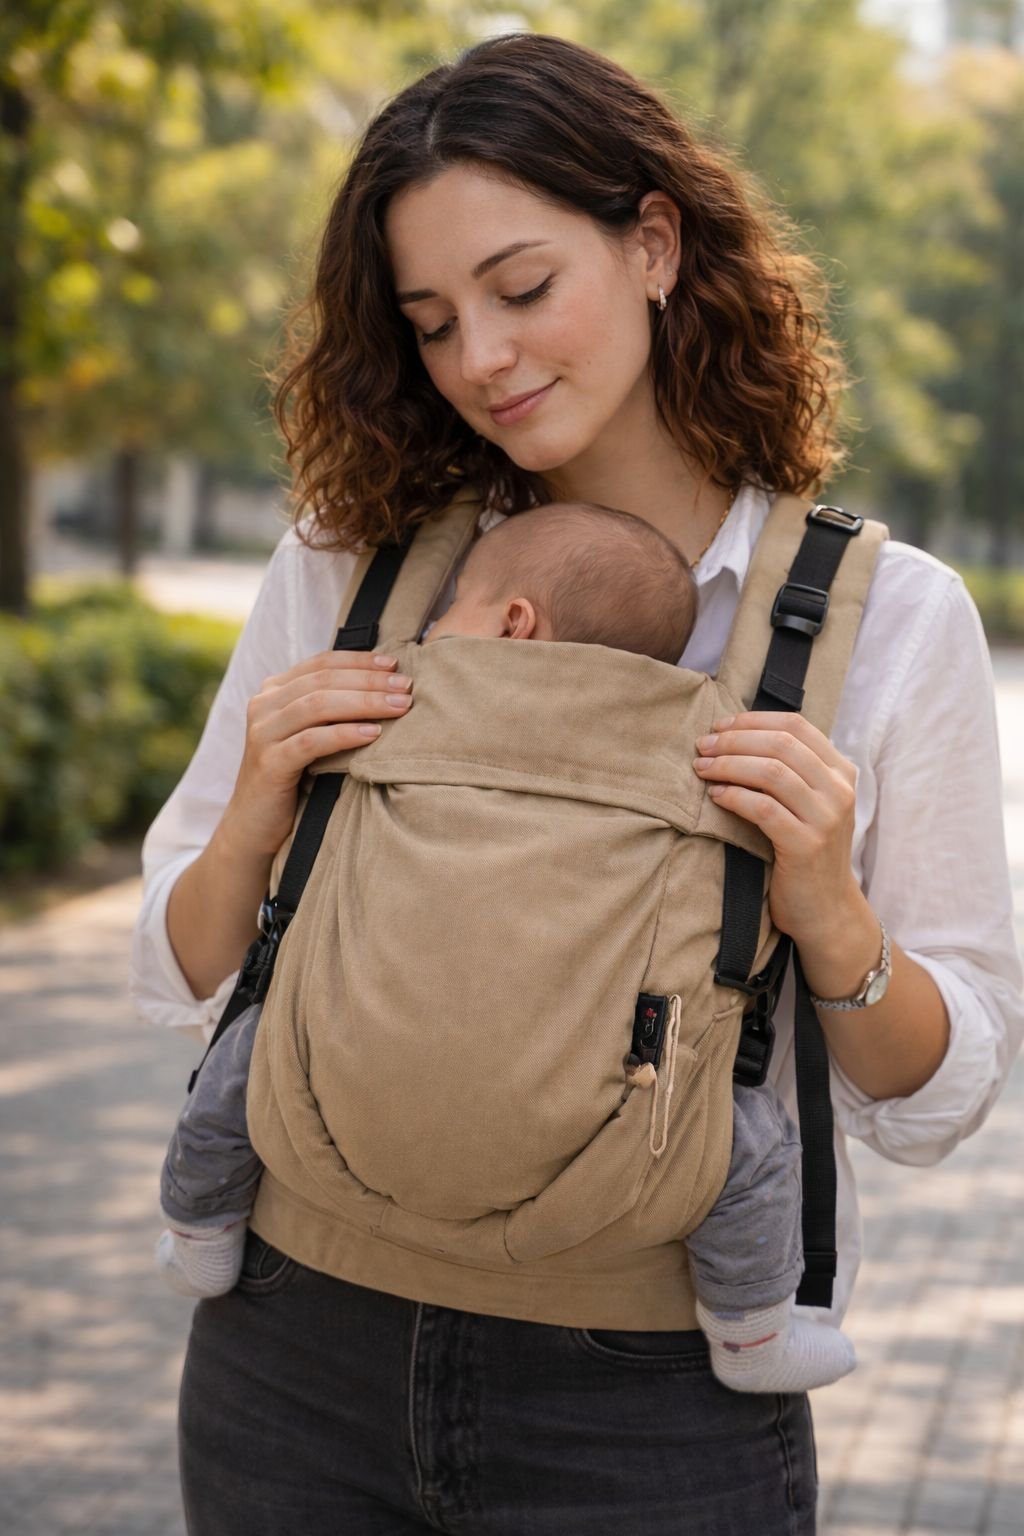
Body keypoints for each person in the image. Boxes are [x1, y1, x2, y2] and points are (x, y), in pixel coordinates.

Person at [130, 32, 1023, 1535]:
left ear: (657, 243)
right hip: (294, 1360)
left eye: (522, 288)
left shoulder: (886, 621)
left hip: (657, 1405)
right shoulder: (352, 570)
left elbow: (943, 1098)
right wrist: (259, 815)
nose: (481, 357)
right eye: (429, 322)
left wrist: (831, 912)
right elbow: (175, 971)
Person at [153, 499, 855, 1397]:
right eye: (438, 340)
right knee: (742, 1141)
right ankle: (755, 1330)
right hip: (612, 1251)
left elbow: (192, 983)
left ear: (515, 625)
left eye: (452, 613)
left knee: (249, 1046)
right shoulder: (719, 734)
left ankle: (200, 1229)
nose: (435, 630)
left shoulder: (387, 693)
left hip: (325, 1179)